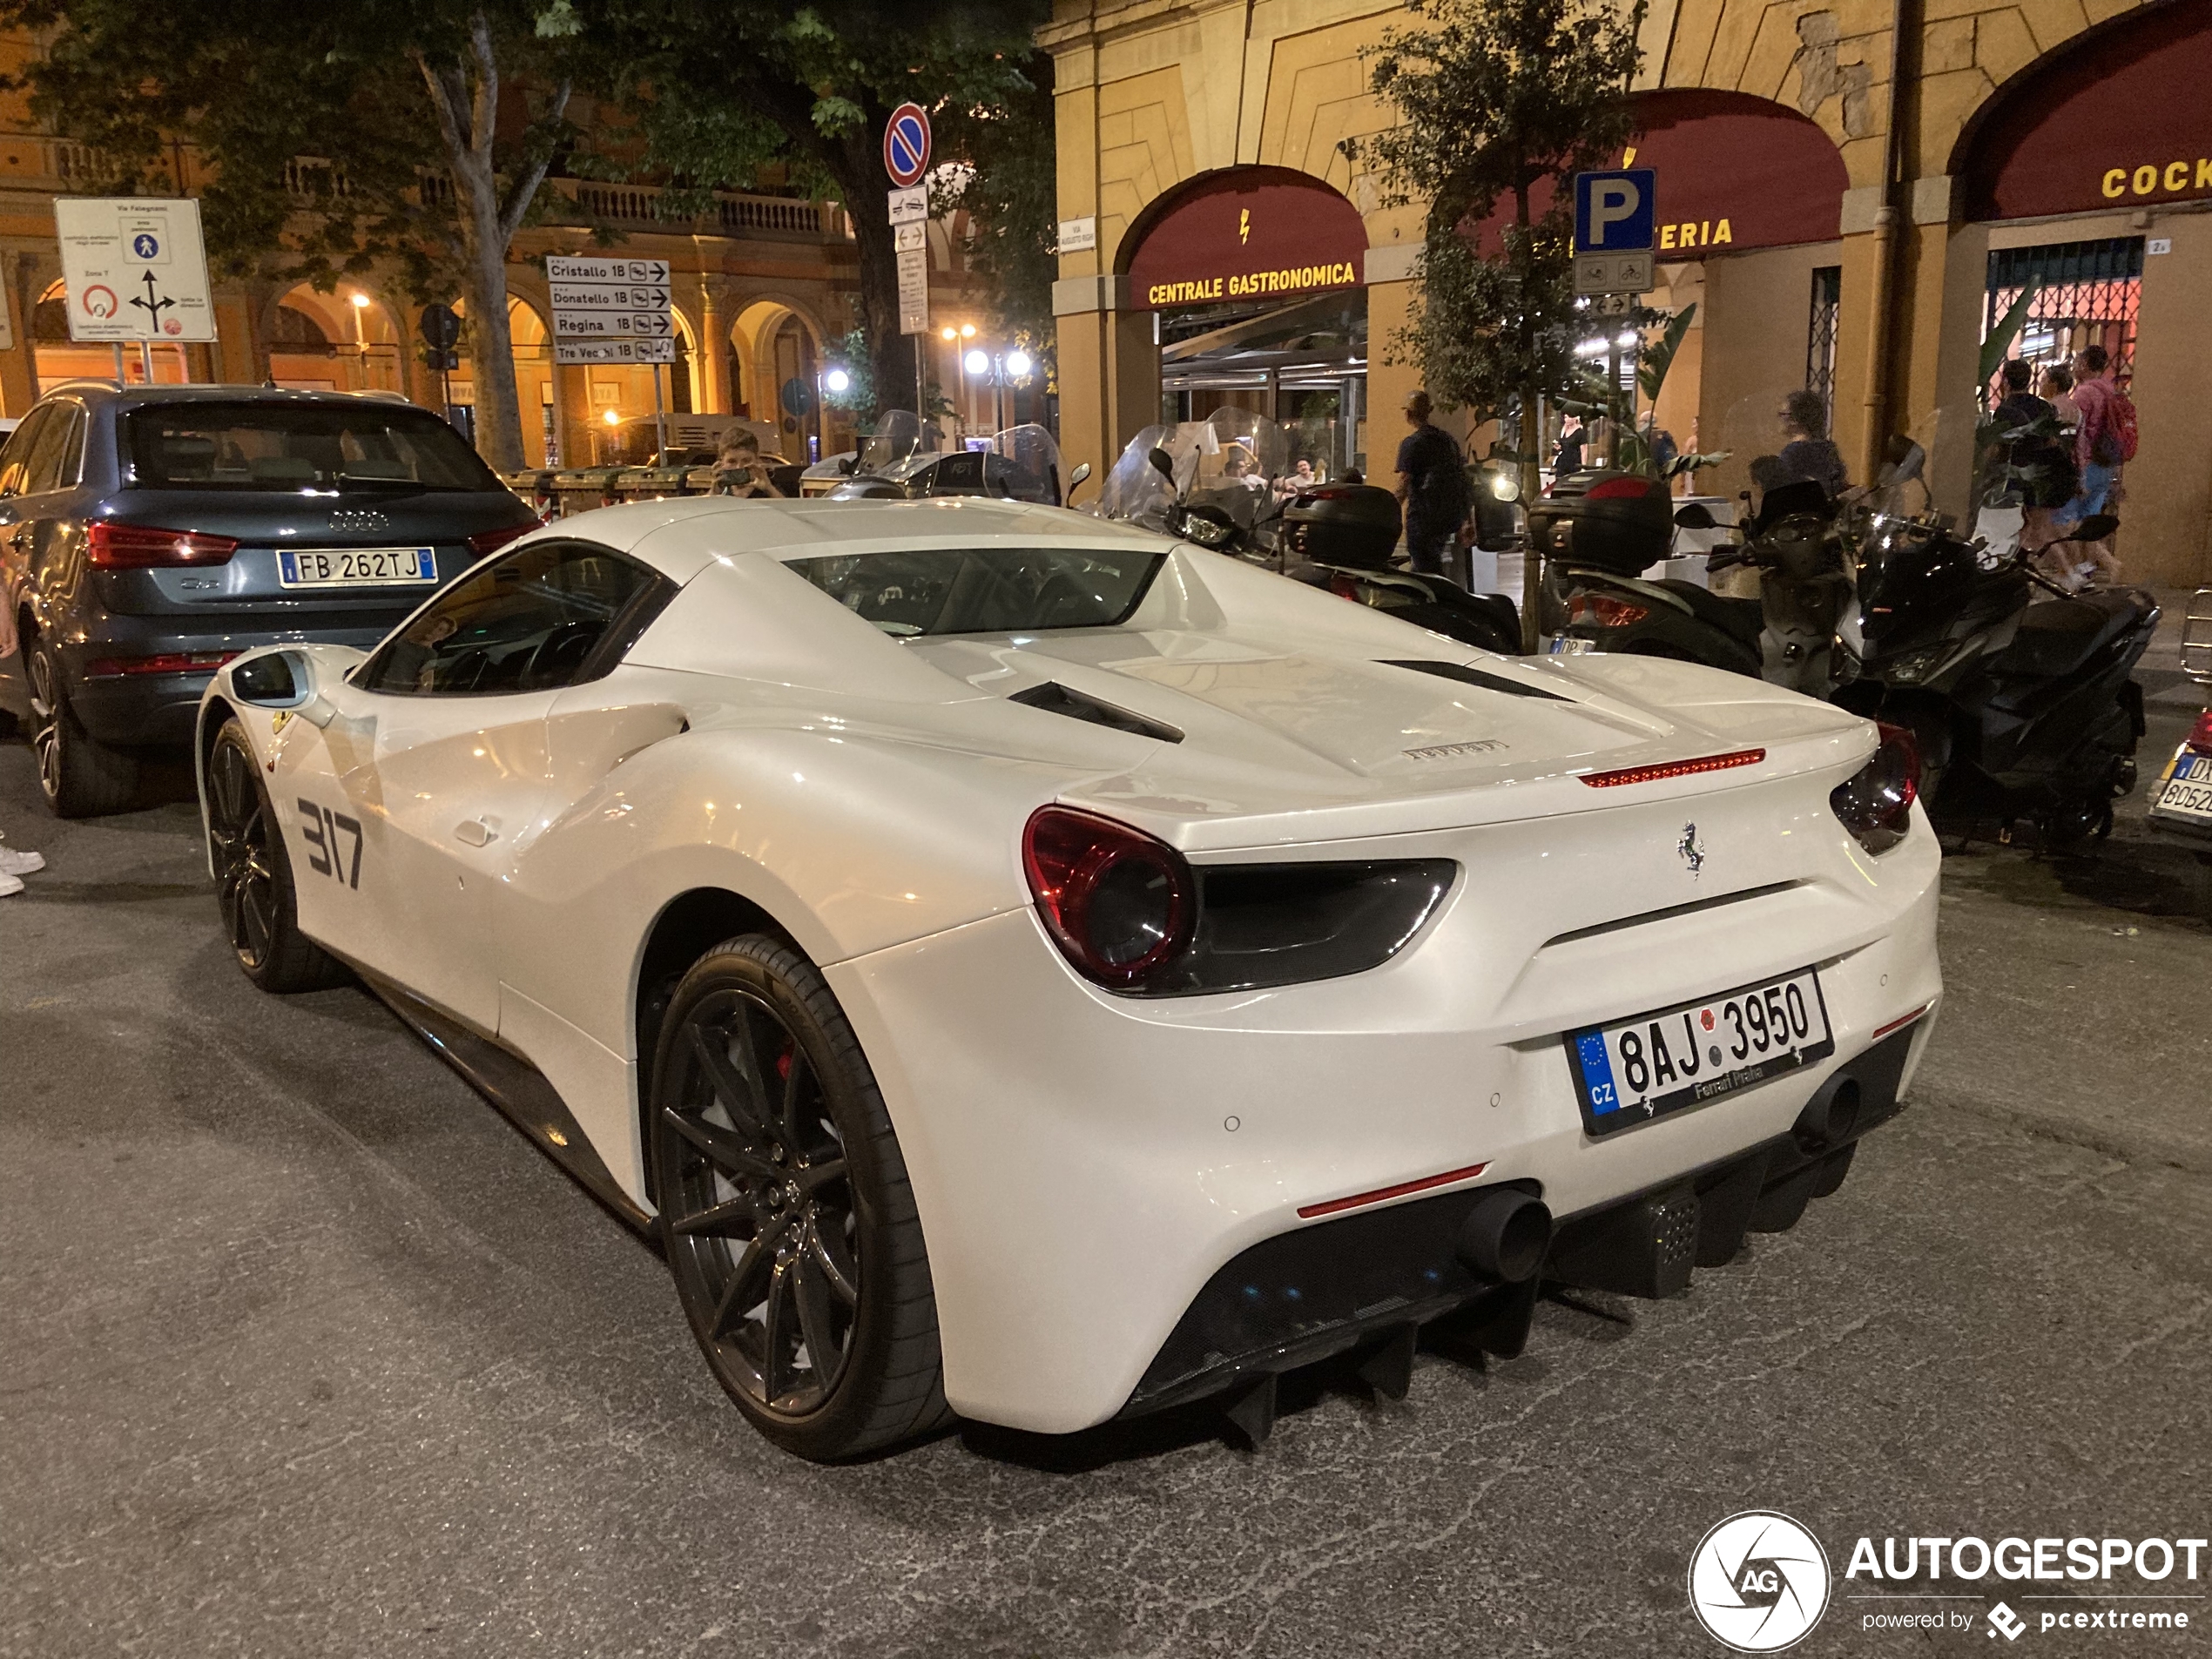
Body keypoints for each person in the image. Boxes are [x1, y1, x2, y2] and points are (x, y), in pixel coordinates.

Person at [2054, 344, 2129, 586]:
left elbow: (2077, 432)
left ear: (2086, 365)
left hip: (2088, 464)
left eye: (2078, 362)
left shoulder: (2084, 393)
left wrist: (2076, 468)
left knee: (2067, 521)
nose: (2075, 367)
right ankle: (2088, 570)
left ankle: (2089, 568)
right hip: (2106, 463)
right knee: (2088, 521)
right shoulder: (2109, 389)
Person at [1394, 390, 1471, 578]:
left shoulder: (1412, 443)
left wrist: (1389, 505)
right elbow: (1462, 477)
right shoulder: (1447, 441)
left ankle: (1432, 602)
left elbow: (1405, 482)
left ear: (1408, 414)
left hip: (1422, 519)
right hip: (1447, 518)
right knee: (1429, 564)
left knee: (1425, 569)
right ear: (1429, 411)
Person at [1776, 389, 1848, 496]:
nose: (1779, 418)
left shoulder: (1792, 453)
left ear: (1794, 419)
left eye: (1782, 414)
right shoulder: (1827, 448)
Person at [712, 431, 784, 498]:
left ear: (757, 460)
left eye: (746, 461)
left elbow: (788, 509)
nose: (739, 467)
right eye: (732, 461)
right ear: (722, 463)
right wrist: (713, 492)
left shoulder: (770, 487)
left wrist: (769, 489)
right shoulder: (721, 490)